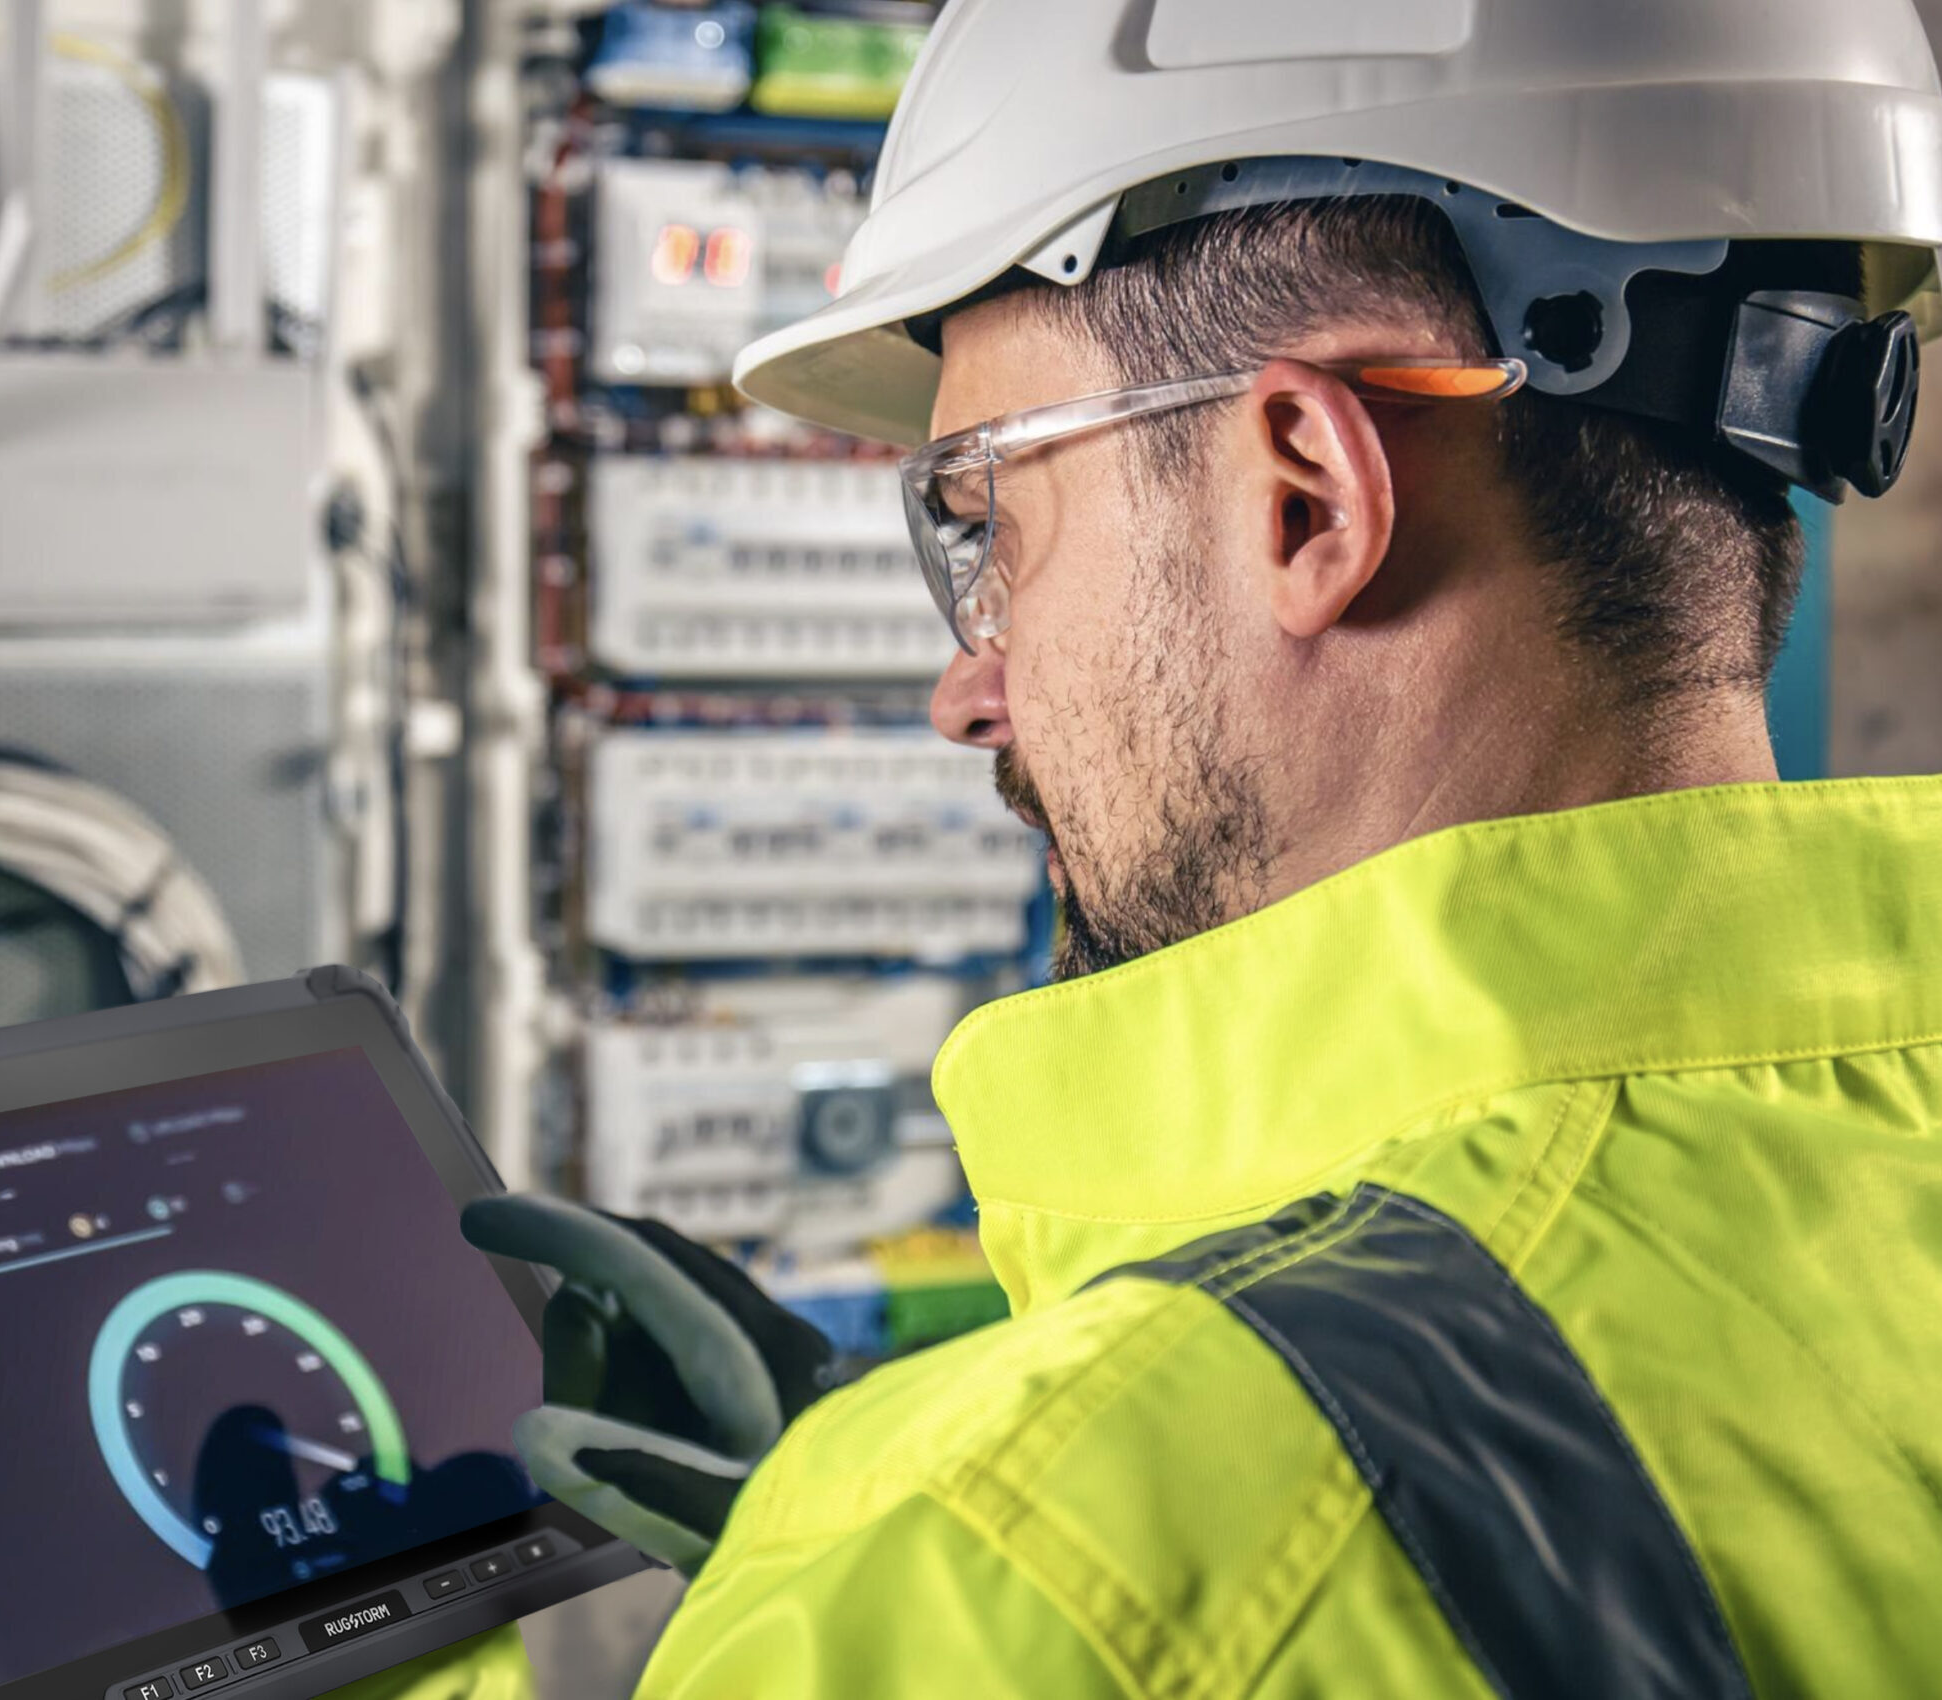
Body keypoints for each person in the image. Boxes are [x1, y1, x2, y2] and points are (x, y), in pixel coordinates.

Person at [392, 0, 1942, 1692]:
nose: (966, 688)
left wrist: (936, 1555)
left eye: (990, 522)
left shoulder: (1023, 1585)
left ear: (1308, 499)